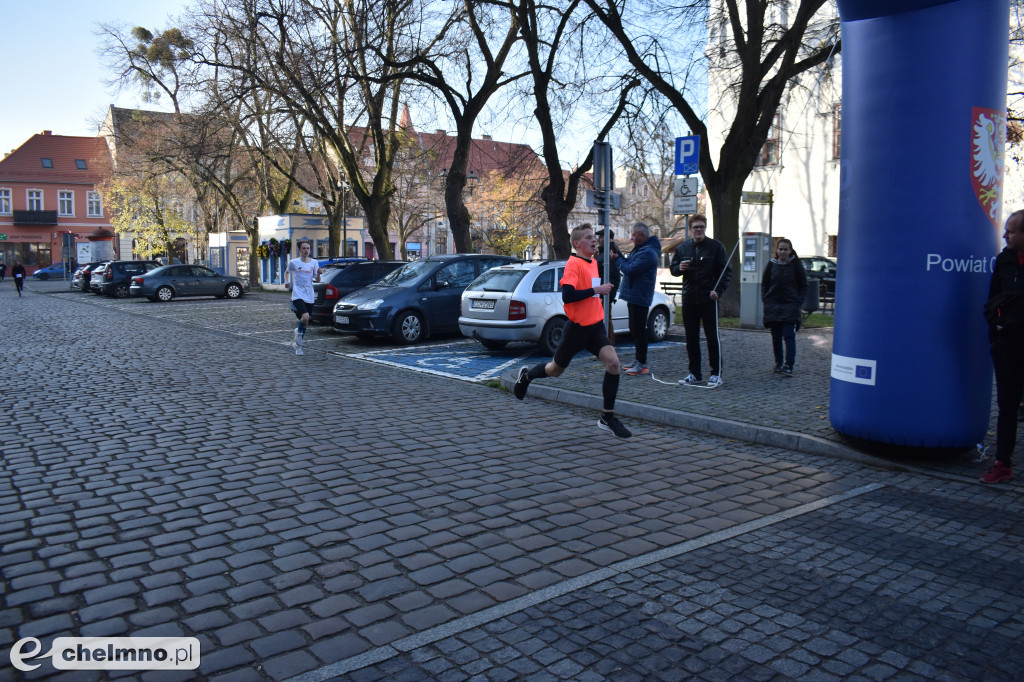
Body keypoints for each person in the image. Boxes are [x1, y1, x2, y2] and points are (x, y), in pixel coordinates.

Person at [512, 223, 632, 438]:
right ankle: (527, 376)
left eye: (593, 237)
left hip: (595, 327)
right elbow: (568, 295)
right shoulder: (573, 265)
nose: (593, 240)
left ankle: (607, 416)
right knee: (554, 371)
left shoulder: (593, 262)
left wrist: (601, 291)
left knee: (613, 364)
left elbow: (591, 293)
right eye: (588, 238)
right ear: (577, 244)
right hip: (576, 329)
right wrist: (596, 290)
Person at [981, 209, 1024, 484]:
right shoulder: (1003, 260)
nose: (1005, 234)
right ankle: (1002, 464)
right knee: (1007, 406)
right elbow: (992, 300)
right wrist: (996, 334)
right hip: (1008, 345)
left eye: (1011, 230)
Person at [669, 215, 732, 387]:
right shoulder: (682, 248)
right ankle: (695, 374)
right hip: (689, 298)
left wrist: (718, 291)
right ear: (690, 229)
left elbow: (726, 271)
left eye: (702, 227)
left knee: (712, 337)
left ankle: (716, 374)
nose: (699, 230)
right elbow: (673, 268)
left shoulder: (716, 247)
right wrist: (678, 268)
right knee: (691, 339)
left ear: (705, 228)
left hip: (708, 299)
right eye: (696, 227)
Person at [615, 222, 662, 376]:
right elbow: (628, 263)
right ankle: (637, 360)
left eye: (634, 235)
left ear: (642, 236)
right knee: (634, 328)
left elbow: (630, 269)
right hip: (634, 295)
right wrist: (619, 255)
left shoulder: (648, 252)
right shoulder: (641, 249)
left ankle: (642, 363)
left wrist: (617, 259)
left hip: (640, 296)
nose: (632, 237)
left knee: (639, 330)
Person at [761, 238, 808, 376]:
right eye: (780, 249)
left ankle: (789, 365)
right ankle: (778, 362)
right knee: (775, 337)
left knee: (788, 336)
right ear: (776, 250)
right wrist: (766, 299)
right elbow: (764, 284)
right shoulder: (771, 264)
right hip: (773, 306)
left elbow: (804, 285)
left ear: (790, 250)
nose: (783, 252)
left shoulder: (796, 265)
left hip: (790, 305)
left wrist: (798, 302)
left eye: (785, 249)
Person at [284, 240, 323, 356]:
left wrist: (319, 274)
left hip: (309, 295)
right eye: (304, 248)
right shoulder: (294, 262)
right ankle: (299, 340)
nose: (306, 250)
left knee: (306, 321)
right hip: (297, 294)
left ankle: (298, 344)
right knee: (305, 317)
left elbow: (317, 280)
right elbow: (287, 272)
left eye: (308, 248)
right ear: (299, 250)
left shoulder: (314, 263)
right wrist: (286, 282)